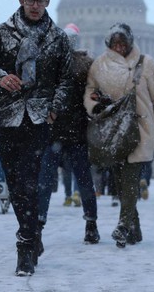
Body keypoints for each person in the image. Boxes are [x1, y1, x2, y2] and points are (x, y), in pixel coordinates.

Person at [0, 0, 72, 276]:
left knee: (29, 181)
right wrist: (1, 77)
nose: (35, 5)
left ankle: (25, 245)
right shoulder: (1, 33)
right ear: (21, 0)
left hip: (39, 118)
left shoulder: (58, 38)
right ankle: (34, 233)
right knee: (16, 184)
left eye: (40, 0)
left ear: (48, 2)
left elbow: (67, 80)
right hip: (7, 117)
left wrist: (54, 109)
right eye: (30, 0)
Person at [84, 23, 154, 248]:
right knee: (121, 181)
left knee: (131, 179)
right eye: (115, 43)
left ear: (131, 42)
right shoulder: (99, 65)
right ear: (108, 44)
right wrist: (95, 105)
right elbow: (90, 91)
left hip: (140, 130)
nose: (120, 47)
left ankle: (123, 226)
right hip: (114, 130)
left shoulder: (147, 64)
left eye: (123, 43)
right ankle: (135, 229)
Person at [37, 23, 99, 247]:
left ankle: (39, 223)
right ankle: (91, 223)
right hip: (76, 132)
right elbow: (91, 98)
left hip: (53, 131)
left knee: (44, 181)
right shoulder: (85, 67)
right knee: (84, 180)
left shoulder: (47, 65)